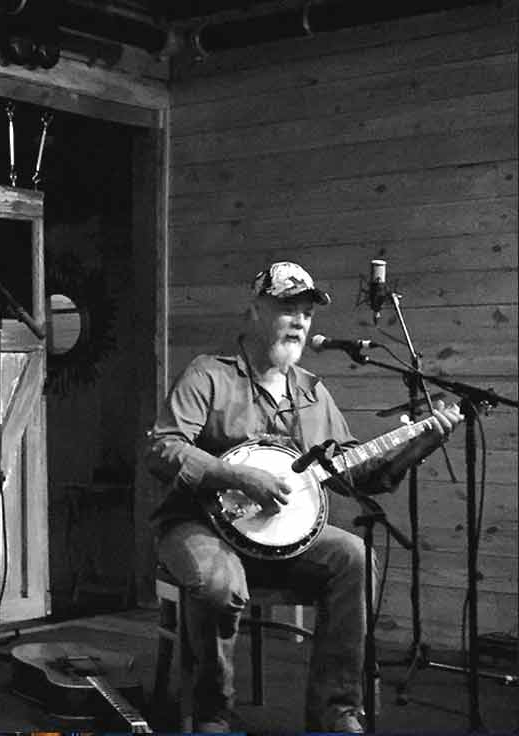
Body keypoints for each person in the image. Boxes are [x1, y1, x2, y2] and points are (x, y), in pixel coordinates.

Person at [142, 260, 462, 733]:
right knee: (218, 583)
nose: (299, 322)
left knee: (355, 558)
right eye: (288, 308)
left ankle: (335, 713)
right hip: (200, 525)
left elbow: (357, 473)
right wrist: (238, 475)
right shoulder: (208, 375)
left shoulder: (313, 392)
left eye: (307, 313)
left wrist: (420, 444)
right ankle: (212, 714)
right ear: (255, 310)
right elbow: (163, 448)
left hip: (282, 534)